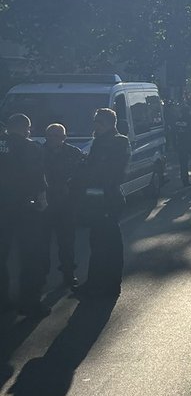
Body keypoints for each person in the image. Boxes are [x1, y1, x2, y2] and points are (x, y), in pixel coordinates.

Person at [74, 107, 131, 300]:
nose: (94, 126)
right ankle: (95, 283)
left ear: (106, 123)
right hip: (96, 201)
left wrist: (89, 171)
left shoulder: (118, 142)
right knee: (97, 243)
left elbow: (111, 172)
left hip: (109, 200)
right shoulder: (99, 141)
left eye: (97, 122)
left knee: (110, 245)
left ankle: (111, 285)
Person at [0, 114, 48, 318]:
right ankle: (30, 304)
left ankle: (3, 302)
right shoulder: (31, 148)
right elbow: (37, 178)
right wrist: (42, 201)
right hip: (25, 209)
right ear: (25, 128)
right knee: (31, 257)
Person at [42, 122, 84, 289]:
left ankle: (68, 273)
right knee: (42, 243)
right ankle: (41, 276)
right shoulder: (38, 152)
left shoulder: (73, 153)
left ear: (64, 138)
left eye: (57, 135)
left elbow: (82, 176)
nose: (53, 139)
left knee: (66, 242)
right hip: (45, 203)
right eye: (50, 135)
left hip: (66, 205)